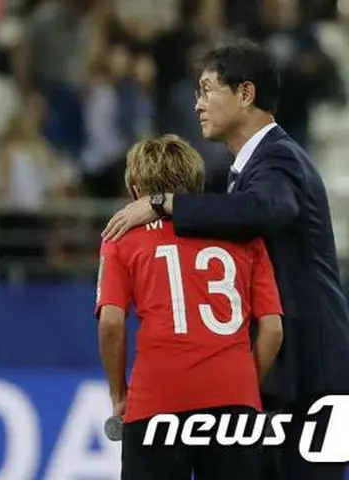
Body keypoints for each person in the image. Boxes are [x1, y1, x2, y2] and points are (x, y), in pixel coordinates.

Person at [102, 39, 349, 480]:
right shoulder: (248, 169)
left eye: (207, 90)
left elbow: (265, 209)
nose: (198, 105)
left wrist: (162, 203)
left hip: (311, 374)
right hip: (288, 374)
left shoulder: (279, 159)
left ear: (246, 93)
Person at [97, 134, 284, 480]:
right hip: (233, 399)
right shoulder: (244, 236)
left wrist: (118, 393)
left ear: (136, 190)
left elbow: (111, 323)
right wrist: (242, 382)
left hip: (156, 400)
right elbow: (272, 328)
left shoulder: (121, 237)